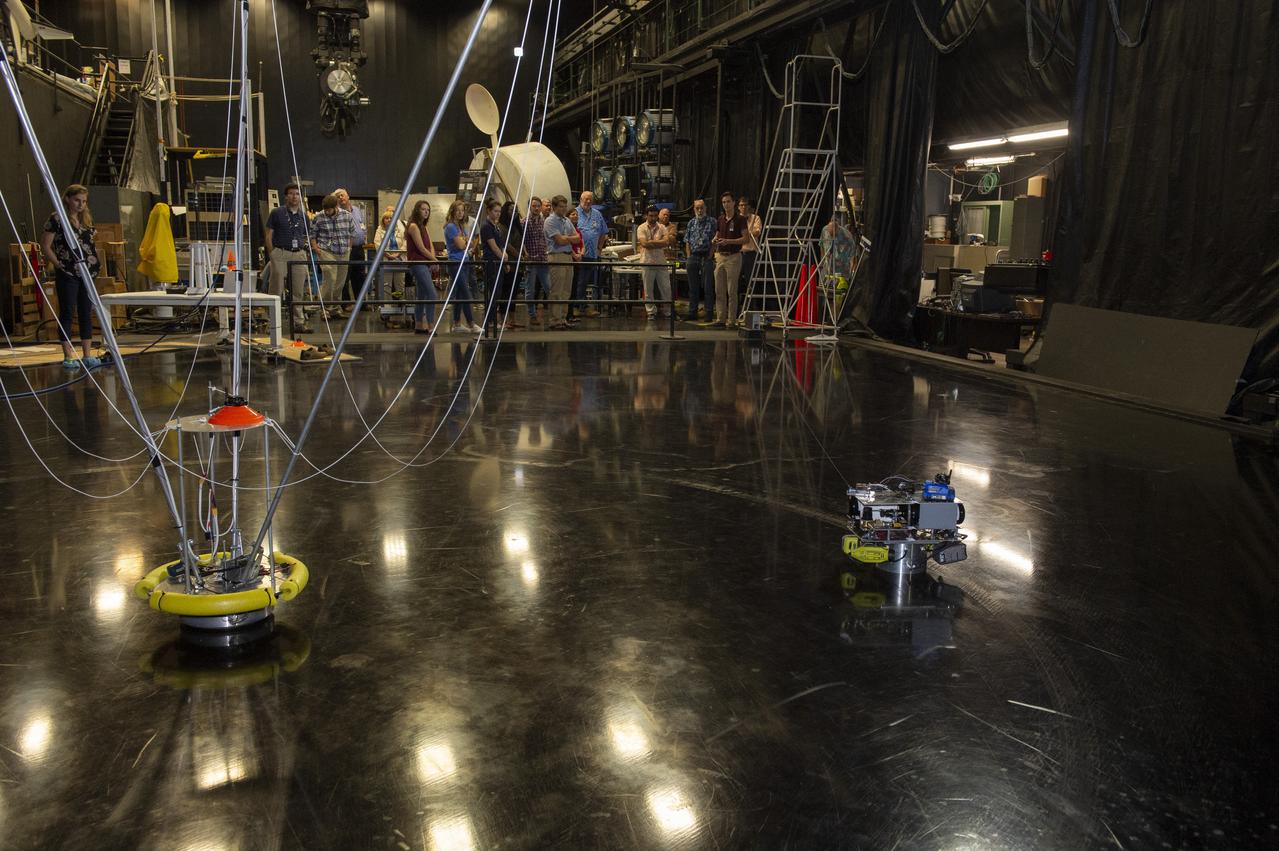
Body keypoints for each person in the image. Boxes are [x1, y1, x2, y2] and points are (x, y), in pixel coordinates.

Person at [40, 184, 100, 369]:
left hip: (87, 272)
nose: (80, 205)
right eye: (77, 200)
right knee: (67, 311)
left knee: (85, 312)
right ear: (67, 199)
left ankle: (87, 354)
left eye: (84, 201)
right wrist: (58, 264)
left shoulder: (85, 220)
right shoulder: (57, 219)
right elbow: (46, 245)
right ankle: (68, 355)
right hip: (68, 271)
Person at [265, 183, 312, 332]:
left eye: (297, 194)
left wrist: (305, 251)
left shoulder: (304, 217)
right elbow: (269, 235)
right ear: (286, 196)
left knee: (298, 290)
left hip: (298, 254)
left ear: (300, 197)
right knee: (276, 289)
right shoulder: (276, 213)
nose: (294, 197)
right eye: (291, 193)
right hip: (280, 253)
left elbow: (306, 235)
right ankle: (272, 323)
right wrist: (272, 253)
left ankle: (298, 322)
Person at [310, 193, 354, 320]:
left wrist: (349, 248)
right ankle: (325, 308)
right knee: (329, 277)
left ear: (336, 207)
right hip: (326, 251)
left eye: (329, 210)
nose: (327, 212)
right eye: (325, 210)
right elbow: (313, 234)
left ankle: (335, 308)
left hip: (344, 251)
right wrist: (316, 248)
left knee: (340, 281)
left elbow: (352, 233)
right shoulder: (319, 217)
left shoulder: (347, 215)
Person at [442, 200, 482, 334]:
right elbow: (461, 245)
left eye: (462, 210)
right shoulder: (451, 227)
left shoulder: (460, 226)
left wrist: (465, 241)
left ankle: (457, 323)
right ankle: (471, 323)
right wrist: (465, 241)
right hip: (456, 263)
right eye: (458, 210)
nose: (460, 213)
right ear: (452, 211)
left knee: (459, 293)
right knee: (466, 293)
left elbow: (469, 242)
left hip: (464, 261)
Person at [544, 195, 580, 330]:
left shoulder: (567, 220)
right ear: (554, 207)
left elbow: (578, 238)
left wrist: (567, 238)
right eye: (561, 206)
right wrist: (570, 238)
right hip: (556, 256)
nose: (564, 209)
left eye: (565, 206)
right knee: (557, 290)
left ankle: (563, 318)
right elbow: (559, 241)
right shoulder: (550, 221)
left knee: (566, 290)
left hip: (568, 256)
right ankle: (555, 320)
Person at [711, 190, 747, 327]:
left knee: (731, 290)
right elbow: (717, 234)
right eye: (724, 202)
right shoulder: (720, 219)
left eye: (728, 202)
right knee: (719, 290)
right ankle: (720, 318)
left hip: (733, 256)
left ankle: (731, 320)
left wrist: (729, 241)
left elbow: (746, 238)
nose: (726, 204)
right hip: (720, 256)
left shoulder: (740, 219)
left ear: (734, 203)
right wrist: (715, 240)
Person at [573, 190, 608, 317]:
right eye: (585, 199)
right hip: (577, 255)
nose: (588, 201)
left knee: (586, 282)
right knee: (578, 281)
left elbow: (603, 232)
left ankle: (582, 306)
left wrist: (599, 248)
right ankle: (575, 306)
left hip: (592, 254)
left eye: (590, 199)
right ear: (580, 200)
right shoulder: (574, 213)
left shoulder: (597, 214)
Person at [404, 200, 438, 334]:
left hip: (425, 263)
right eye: (423, 209)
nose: (426, 212)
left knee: (422, 295)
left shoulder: (424, 226)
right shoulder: (413, 226)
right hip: (417, 263)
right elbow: (421, 248)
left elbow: (430, 246)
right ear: (417, 210)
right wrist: (434, 260)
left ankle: (418, 325)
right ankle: (431, 325)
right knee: (432, 294)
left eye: (428, 210)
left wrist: (433, 260)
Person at [480, 199, 513, 330]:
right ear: (489, 211)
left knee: (497, 292)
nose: (498, 214)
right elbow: (493, 247)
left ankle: (492, 319)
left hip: (498, 262)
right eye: (495, 211)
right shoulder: (486, 226)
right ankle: (490, 321)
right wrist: (504, 258)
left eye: (499, 211)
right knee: (493, 292)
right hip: (491, 262)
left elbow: (501, 245)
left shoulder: (496, 226)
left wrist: (505, 260)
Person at [683, 198, 716, 322]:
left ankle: (708, 312)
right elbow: (687, 240)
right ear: (694, 209)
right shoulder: (691, 223)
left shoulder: (712, 222)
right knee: (693, 287)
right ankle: (692, 312)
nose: (700, 210)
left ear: (706, 208)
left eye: (702, 208)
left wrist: (710, 255)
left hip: (707, 255)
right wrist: (688, 256)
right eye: (697, 208)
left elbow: (715, 240)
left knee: (708, 287)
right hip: (694, 256)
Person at [637, 205, 671, 320]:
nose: (653, 218)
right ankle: (651, 312)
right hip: (647, 261)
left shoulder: (662, 227)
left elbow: (666, 242)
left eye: (655, 216)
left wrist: (651, 242)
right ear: (646, 216)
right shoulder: (641, 228)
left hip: (661, 262)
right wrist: (658, 243)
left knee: (666, 288)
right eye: (651, 216)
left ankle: (668, 311)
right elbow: (644, 244)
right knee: (648, 289)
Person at [522, 196, 551, 326]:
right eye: (534, 206)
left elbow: (547, 238)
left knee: (549, 287)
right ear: (529, 207)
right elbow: (522, 241)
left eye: (538, 206)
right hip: (531, 259)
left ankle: (554, 314)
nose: (536, 208)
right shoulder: (525, 222)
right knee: (530, 289)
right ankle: (532, 315)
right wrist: (525, 253)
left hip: (543, 259)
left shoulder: (544, 221)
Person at [335, 188, 367, 303]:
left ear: (348, 196)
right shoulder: (337, 213)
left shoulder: (357, 210)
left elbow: (361, 225)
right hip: (345, 249)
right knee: (344, 277)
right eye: (338, 196)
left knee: (360, 277)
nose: (340, 198)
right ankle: (346, 303)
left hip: (359, 248)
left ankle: (362, 303)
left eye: (342, 195)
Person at [498, 200, 525, 329]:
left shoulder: (516, 226)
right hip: (509, 262)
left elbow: (521, 241)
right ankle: (502, 319)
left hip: (518, 263)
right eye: (511, 210)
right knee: (506, 291)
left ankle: (512, 319)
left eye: (516, 210)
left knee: (514, 292)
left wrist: (524, 254)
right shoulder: (502, 226)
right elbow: (506, 244)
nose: (514, 212)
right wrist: (519, 255)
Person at [373, 209, 406, 300]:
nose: (389, 220)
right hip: (386, 260)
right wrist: (388, 255)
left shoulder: (400, 229)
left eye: (391, 218)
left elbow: (405, 242)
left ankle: (400, 303)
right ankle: (387, 305)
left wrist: (398, 254)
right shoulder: (379, 230)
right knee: (386, 285)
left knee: (399, 284)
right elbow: (377, 244)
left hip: (399, 260)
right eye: (386, 218)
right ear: (383, 220)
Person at [738, 197, 762, 296]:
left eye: (745, 205)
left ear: (749, 206)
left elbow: (757, 232)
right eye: (741, 205)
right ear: (738, 207)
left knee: (751, 281)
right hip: (738, 254)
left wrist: (743, 234)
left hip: (751, 254)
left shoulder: (756, 218)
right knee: (735, 280)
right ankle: (737, 304)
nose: (743, 207)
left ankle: (752, 303)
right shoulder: (735, 219)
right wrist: (748, 234)